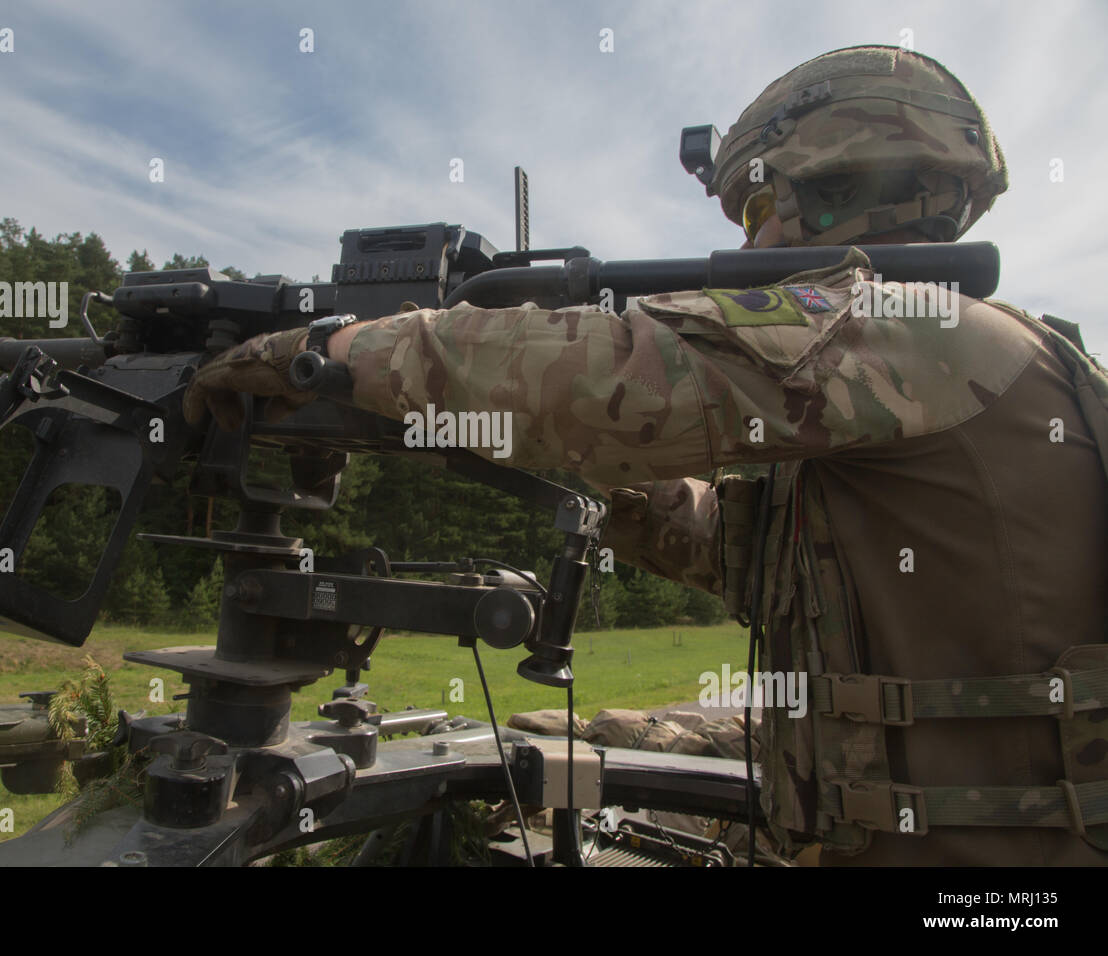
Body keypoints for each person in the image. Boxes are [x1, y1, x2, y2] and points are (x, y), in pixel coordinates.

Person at [184, 46, 1108, 865]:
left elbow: (611, 373)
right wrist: (530, 450)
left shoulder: (918, 326)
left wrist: (331, 355)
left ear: (828, 183)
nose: (748, 237)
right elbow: (732, 548)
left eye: (757, 199)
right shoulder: (930, 376)